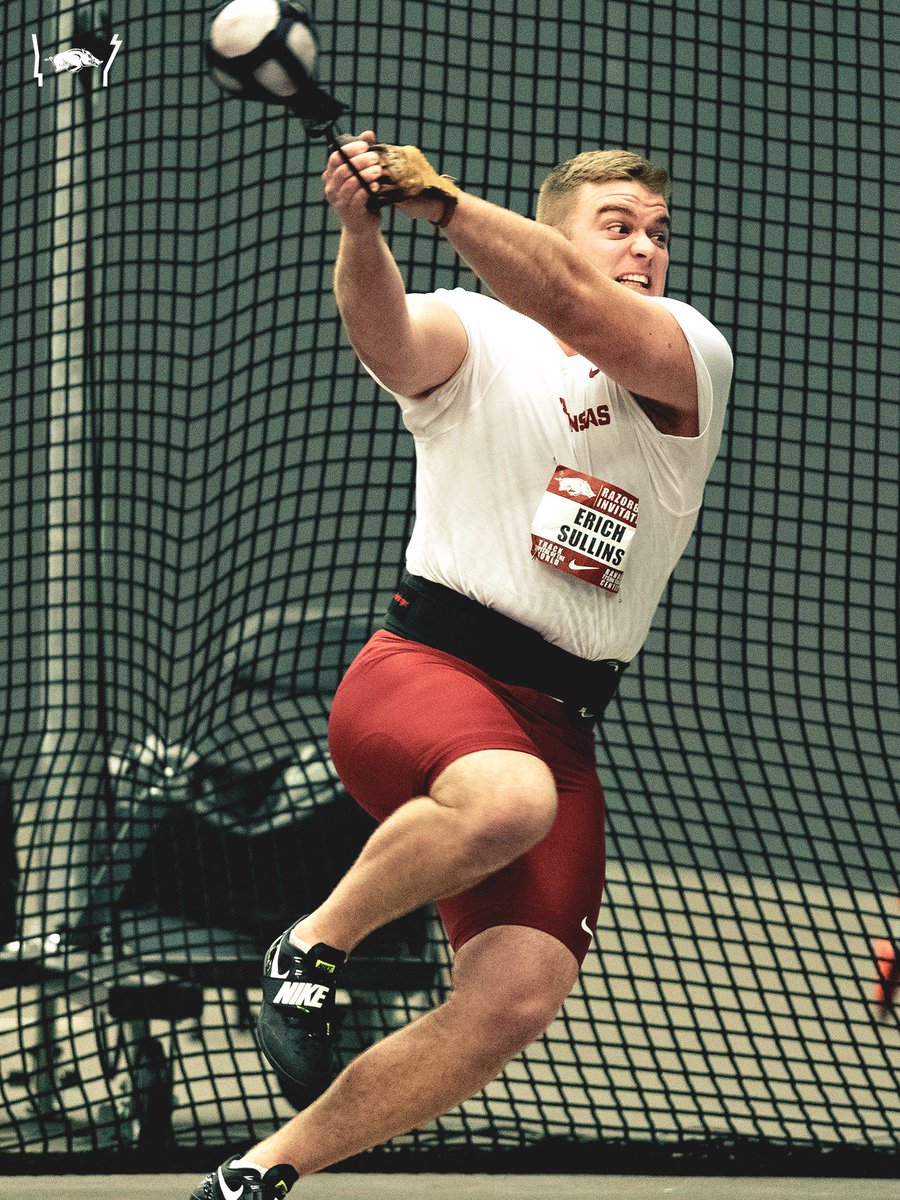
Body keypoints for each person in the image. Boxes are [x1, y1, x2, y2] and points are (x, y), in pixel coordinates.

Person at [190, 130, 733, 1199]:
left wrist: (441, 199)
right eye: (617, 228)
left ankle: (258, 1177)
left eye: (658, 235)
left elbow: (578, 306)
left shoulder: (687, 349)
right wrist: (362, 226)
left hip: (564, 722)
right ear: (555, 229)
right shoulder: (480, 326)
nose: (645, 250)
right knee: (506, 800)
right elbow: (388, 341)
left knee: (516, 998)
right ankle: (310, 949)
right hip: (425, 672)